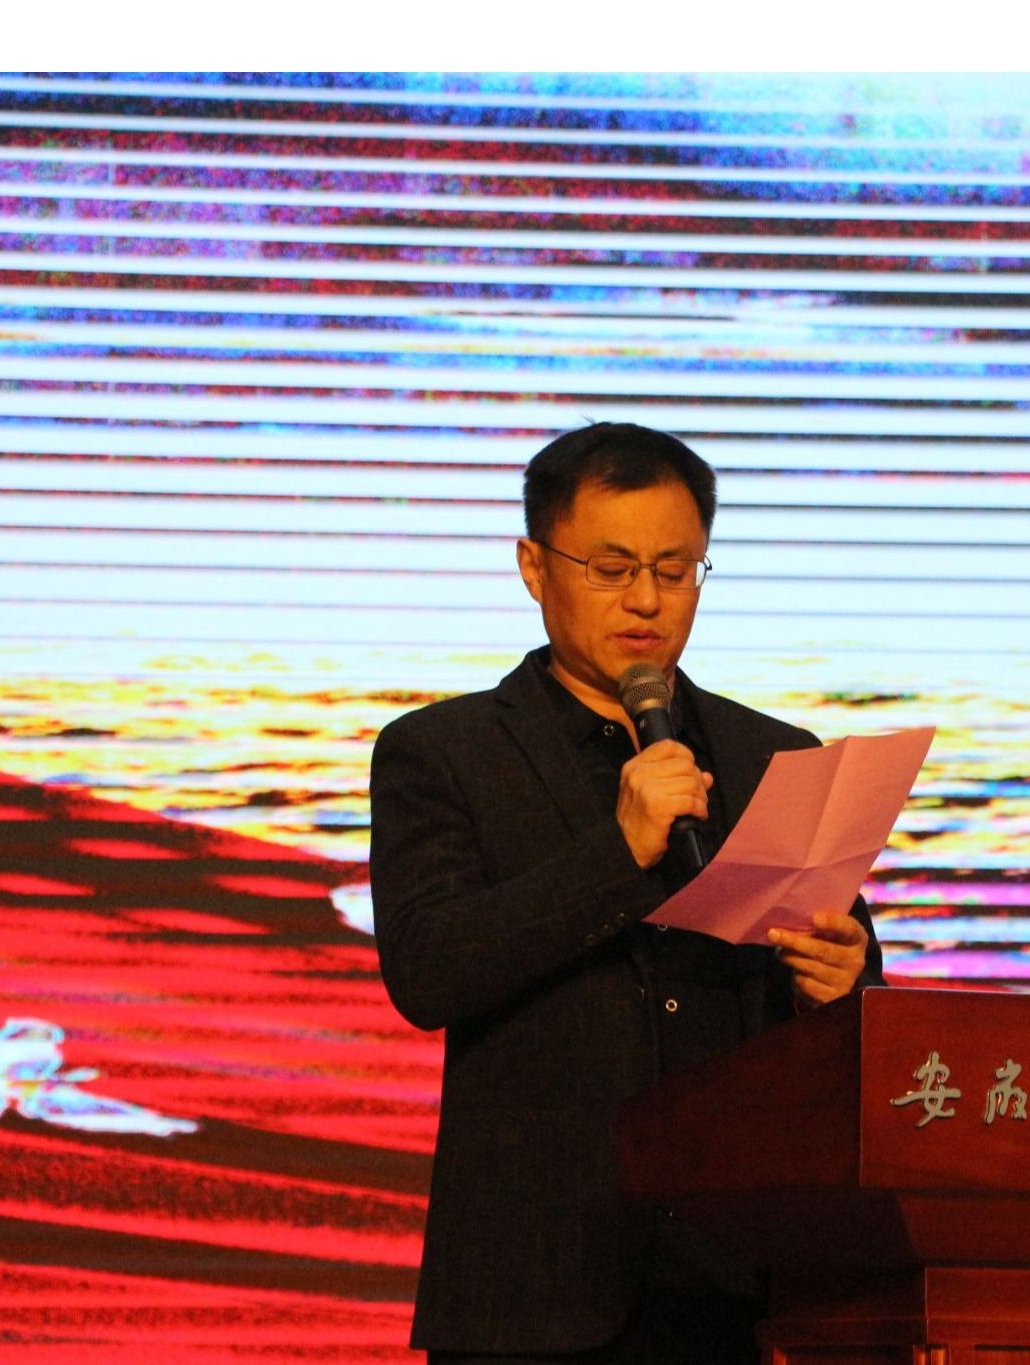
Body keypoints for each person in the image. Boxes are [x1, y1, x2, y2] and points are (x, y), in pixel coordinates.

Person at [368, 422, 882, 1364]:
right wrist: (619, 852)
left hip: (742, 1285)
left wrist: (844, 984)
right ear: (534, 566)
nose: (646, 599)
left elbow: (850, 1015)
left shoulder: (776, 756)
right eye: (611, 569)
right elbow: (428, 970)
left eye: (675, 569)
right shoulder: (441, 753)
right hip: (533, 1297)